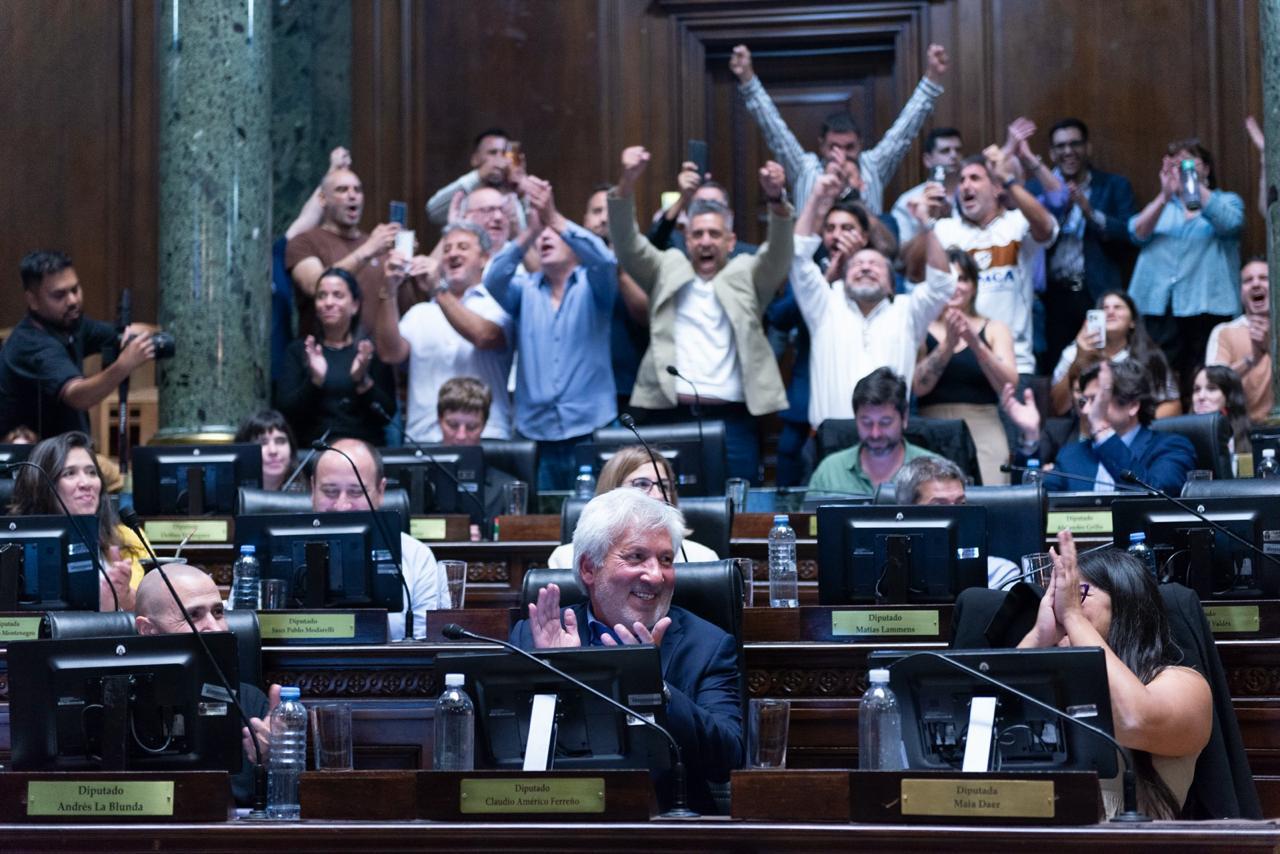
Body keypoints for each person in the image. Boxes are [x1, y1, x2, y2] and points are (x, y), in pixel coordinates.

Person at [510, 487, 742, 814]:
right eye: (636, 557)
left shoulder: (708, 645)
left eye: (666, 560)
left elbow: (728, 759)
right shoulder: (535, 635)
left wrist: (654, 687)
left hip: (664, 823)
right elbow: (509, 753)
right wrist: (559, 674)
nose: (656, 576)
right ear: (589, 568)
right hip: (559, 816)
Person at [608, 147, 794, 483]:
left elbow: (779, 254)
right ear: (686, 240)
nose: (705, 241)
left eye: (714, 234)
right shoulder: (666, 266)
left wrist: (777, 200)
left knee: (738, 506)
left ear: (730, 241)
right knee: (663, 504)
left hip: (733, 420)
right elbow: (627, 243)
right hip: (669, 416)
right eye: (697, 234)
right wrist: (626, 183)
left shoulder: (748, 273)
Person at [1018, 532, 1211, 819]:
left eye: (1078, 593)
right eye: (1057, 595)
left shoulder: (1184, 684)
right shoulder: (1057, 683)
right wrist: (1038, 636)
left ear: (1124, 603)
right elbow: (986, 729)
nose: (1060, 605)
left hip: (1130, 839)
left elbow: (1133, 720)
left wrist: (1074, 617)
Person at [484, 175, 621, 489]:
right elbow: (493, 279)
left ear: (574, 245)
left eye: (553, 233)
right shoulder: (524, 290)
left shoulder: (595, 286)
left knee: (599, 515)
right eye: (540, 235)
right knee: (540, 517)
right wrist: (529, 232)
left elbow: (605, 261)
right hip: (536, 434)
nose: (545, 237)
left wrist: (553, 217)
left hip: (591, 429)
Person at [793, 170, 956, 427]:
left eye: (875, 264)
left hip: (892, 436)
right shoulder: (825, 304)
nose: (866, 268)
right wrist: (815, 197)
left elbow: (942, 285)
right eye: (858, 264)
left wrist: (927, 224)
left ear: (892, 283)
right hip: (832, 436)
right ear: (844, 278)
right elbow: (799, 257)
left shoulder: (908, 310)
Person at [730, 42, 949, 214]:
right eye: (834, 147)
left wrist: (932, 79)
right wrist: (747, 79)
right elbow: (774, 129)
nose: (841, 156)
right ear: (821, 146)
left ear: (860, 145)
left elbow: (904, 131)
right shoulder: (805, 168)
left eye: (849, 147)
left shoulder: (872, 166)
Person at [134, 563, 281, 808]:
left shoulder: (250, 702)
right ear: (148, 630)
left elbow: (282, 808)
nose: (215, 627)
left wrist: (274, 764)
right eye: (193, 615)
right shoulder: (116, 705)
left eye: (218, 612)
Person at [908, 152, 1058, 378]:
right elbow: (913, 271)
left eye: (975, 178)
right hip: (957, 363)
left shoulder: (1016, 224)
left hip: (1013, 362)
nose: (965, 186)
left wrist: (1009, 182)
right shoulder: (946, 229)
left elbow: (1047, 229)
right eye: (962, 180)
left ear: (996, 188)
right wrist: (926, 220)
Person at [376, 222, 515, 442]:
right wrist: (389, 289)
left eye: (462, 247)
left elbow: (484, 336)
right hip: (424, 437)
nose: (452, 254)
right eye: (447, 249)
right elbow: (390, 354)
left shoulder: (499, 304)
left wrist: (438, 290)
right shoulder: (419, 313)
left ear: (484, 258)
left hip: (486, 435)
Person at [1128, 139, 1244, 396]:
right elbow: (1136, 233)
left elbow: (1231, 223)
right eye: (1175, 165)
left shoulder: (1226, 200)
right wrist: (1164, 195)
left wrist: (1192, 184)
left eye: (1189, 163)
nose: (1181, 170)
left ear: (1207, 168)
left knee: (1205, 376)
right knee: (1158, 377)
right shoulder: (1163, 207)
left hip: (1207, 305)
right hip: (1162, 308)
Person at [0, 250, 157, 440]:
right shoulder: (31, 343)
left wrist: (139, 334)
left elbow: (126, 332)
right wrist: (124, 365)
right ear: (33, 301)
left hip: (68, 449)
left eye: (75, 290)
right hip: (31, 454)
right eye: (59, 295)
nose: (73, 300)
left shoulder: (71, 324)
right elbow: (78, 396)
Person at [310, 438, 450, 639]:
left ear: (381, 491)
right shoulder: (272, 553)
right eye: (330, 492)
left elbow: (428, 644)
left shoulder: (416, 557)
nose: (342, 506)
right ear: (312, 488)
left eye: (356, 492)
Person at [1027, 118, 1137, 371]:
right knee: (1055, 367)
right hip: (1051, 296)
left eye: (1075, 144)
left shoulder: (1113, 185)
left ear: (1088, 147)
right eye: (1061, 146)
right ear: (1051, 153)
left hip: (1096, 292)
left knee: (1102, 364)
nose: (1068, 151)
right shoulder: (1034, 188)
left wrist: (1089, 212)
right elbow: (1030, 236)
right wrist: (1059, 210)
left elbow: (1127, 235)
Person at [1002, 360, 1196, 494]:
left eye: (1097, 400)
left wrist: (1103, 432)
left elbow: (1157, 495)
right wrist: (1030, 436)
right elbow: (1032, 500)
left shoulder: (1171, 447)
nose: (1086, 410)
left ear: (1132, 405)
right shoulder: (1072, 455)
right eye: (1084, 401)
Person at [913, 247, 1018, 486]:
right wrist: (948, 345)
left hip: (984, 426)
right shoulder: (921, 327)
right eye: (948, 279)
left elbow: (1009, 385)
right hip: (932, 427)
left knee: (991, 499)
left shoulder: (995, 328)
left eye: (962, 279)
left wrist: (976, 343)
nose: (955, 286)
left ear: (974, 286)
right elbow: (918, 387)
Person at [8, 431, 145, 612]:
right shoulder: (13, 547)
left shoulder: (127, 537)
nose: (86, 483)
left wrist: (124, 598)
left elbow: (146, 607)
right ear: (42, 486)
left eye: (92, 472)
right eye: (70, 473)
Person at [275, 268, 395, 447]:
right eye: (321, 296)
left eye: (338, 295)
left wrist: (362, 382)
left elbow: (387, 416)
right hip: (314, 451)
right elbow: (286, 413)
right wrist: (315, 381)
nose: (328, 303)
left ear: (355, 305)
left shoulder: (368, 352)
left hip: (364, 451)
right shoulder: (300, 351)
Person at [546, 445, 720, 568]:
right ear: (612, 490)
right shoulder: (567, 559)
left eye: (664, 486)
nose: (658, 495)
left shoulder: (702, 558)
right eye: (642, 484)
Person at [285, 165, 399, 338]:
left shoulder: (379, 246)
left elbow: (403, 306)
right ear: (323, 199)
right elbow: (314, 285)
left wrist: (409, 270)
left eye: (357, 190)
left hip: (375, 353)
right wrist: (367, 250)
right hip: (321, 352)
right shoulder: (304, 242)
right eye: (342, 190)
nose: (352, 195)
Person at [1049, 290, 1178, 419]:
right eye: (1104, 308)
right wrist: (1080, 358)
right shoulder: (1073, 353)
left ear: (1132, 322)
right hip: (1085, 426)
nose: (1110, 312)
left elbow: (1173, 404)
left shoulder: (1149, 356)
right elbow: (1058, 408)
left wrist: (1139, 425)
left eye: (1118, 307)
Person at [894, 456, 1019, 588]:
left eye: (961, 503)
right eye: (939, 506)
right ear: (907, 512)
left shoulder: (998, 575)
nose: (956, 517)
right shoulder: (887, 575)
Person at [807, 368, 937, 495]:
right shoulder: (829, 471)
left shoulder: (934, 471)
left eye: (885, 422)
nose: (875, 434)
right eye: (866, 422)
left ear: (904, 418)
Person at [582, 183, 651, 414]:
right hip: (582, 393)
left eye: (611, 212)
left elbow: (646, 316)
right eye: (597, 211)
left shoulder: (644, 264)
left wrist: (617, 262)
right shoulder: (569, 267)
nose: (604, 219)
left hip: (631, 388)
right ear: (585, 221)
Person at [435, 376, 519, 525]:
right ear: (439, 420)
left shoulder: (506, 488)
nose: (461, 436)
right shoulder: (417, 483)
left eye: (472, 427)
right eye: (453, 425)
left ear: (484, 425)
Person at [1206, 257, 1272, 422]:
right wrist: (1252, 359)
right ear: (1241, 291)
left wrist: (1271, 347)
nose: (1256, 284)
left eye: (1264, 278)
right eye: (1248, 280)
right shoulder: (1224, 332)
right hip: (1239, 427)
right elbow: (1211, 386)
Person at [425, 128, 525, 226]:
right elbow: (433, 212)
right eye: (492, 153)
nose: (499, 159)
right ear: (475, 159)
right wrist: (479, 176)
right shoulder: (467, 188)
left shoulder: (515, 191)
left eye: (504, 154)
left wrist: (522, 193)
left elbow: (528, 231)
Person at [890, 127, 964, 246]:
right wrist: (924, 220)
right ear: (927, 160)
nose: (954, 155)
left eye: (958, 150)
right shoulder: (908, 201)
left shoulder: (972, 194)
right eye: (945, 151)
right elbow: (903, 249)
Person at [1190, 365, 1251, 457]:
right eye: (1197, 389)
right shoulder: (1180, 438)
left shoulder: (1253, 437)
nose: (1201, 396)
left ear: (1230, 397)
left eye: (1211, 388)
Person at [235, 409, 301, 493]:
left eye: (280, 441)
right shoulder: (229, 497)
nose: (273, 451)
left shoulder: (309, 496)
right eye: (262, 443)